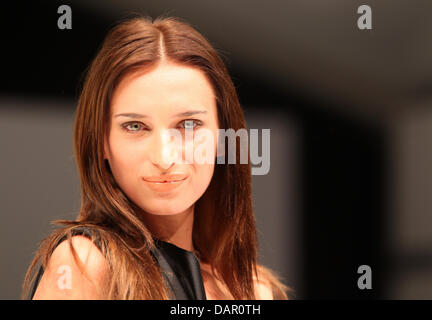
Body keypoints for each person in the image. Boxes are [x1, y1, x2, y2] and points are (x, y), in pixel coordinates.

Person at [21, 15, 294, 300]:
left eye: (188, 125)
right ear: (101, 140)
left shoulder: (256, 289)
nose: (164, 157)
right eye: (135, 126)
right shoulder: (83, 265)